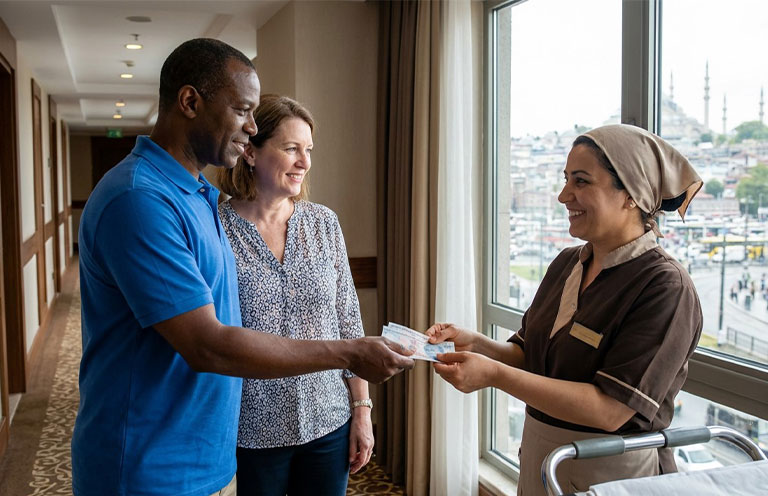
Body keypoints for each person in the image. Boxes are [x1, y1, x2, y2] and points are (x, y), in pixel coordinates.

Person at [73, 39, 413, 496]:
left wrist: (360, 405)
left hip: (206, 456)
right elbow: (207, 345)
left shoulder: (197, 198)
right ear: (190, 102)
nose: (250, 127)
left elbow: (341, 310)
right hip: (148, 465)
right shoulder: (141, 199)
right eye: (242, 110)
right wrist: (350, 352)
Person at [428, 124, 703, 495]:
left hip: (610, 475)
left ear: (631, 196)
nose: (563, 195)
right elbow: (530, 357)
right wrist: (476, 344)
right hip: (543, 459)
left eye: (581, 182)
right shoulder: (566, 264)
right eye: (565, 180)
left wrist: (493, 374)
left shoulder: (665, 287)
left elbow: (610, 410)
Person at [215, 95, 371, 495]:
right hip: (252, 429)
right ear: (250, 152)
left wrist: (361, 410)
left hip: (328, 421)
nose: (305, 161)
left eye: (309, 150)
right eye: (291, 149)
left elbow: (348, 321)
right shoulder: (216, 229)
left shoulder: (323, 224)